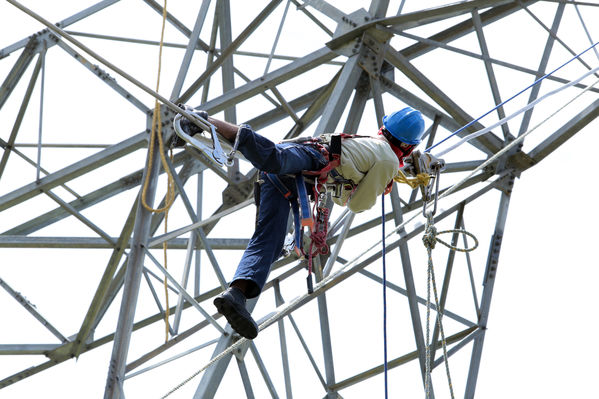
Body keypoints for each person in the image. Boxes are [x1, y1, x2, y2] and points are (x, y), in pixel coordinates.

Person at [179, 107, 425, 339]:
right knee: (274, 158)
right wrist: (376, 185)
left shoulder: (371, 145)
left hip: (290, 179)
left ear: (385, 128)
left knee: (270, 241)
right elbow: (357, 205)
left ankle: (237, 295)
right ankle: (203, 120)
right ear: (409, 146)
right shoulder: (388, 161)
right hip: (307, 160)